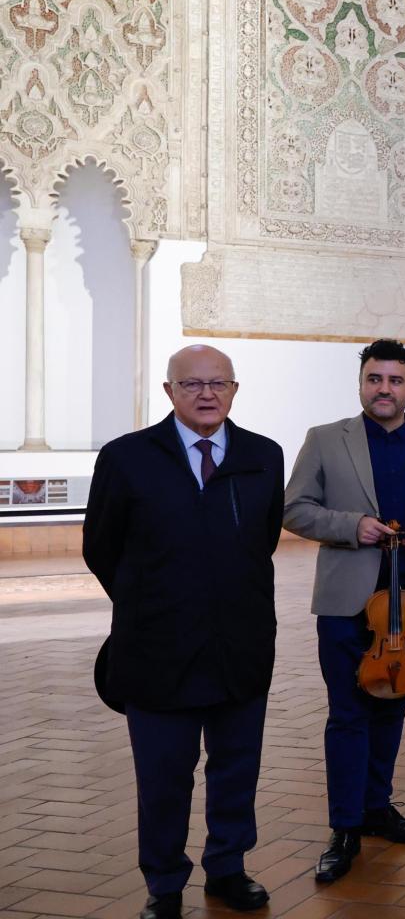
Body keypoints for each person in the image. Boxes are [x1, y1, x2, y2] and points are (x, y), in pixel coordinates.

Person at [84, 346, 284, 919]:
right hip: (156, 649)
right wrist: (153, 603)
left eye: (218, 383)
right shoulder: (127, 458)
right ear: (169, 391)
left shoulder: (263, 455)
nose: (206, 394)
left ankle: (227, 868)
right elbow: (101, 547)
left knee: (236, 768)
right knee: (163, 777)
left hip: (240, 644)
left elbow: (263, 540)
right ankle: (164, 883)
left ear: (234, 390)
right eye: (192, 384)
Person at [283, 338, 405, 884]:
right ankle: (344, 827)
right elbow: (293, 509)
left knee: (392, 706)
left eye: (395, 380)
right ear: (361, 383)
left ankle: (375, 807)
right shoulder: (325, 439)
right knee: (348, 713)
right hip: (346, 602)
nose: (384, 389)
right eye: (375, 379)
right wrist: (350, 526)